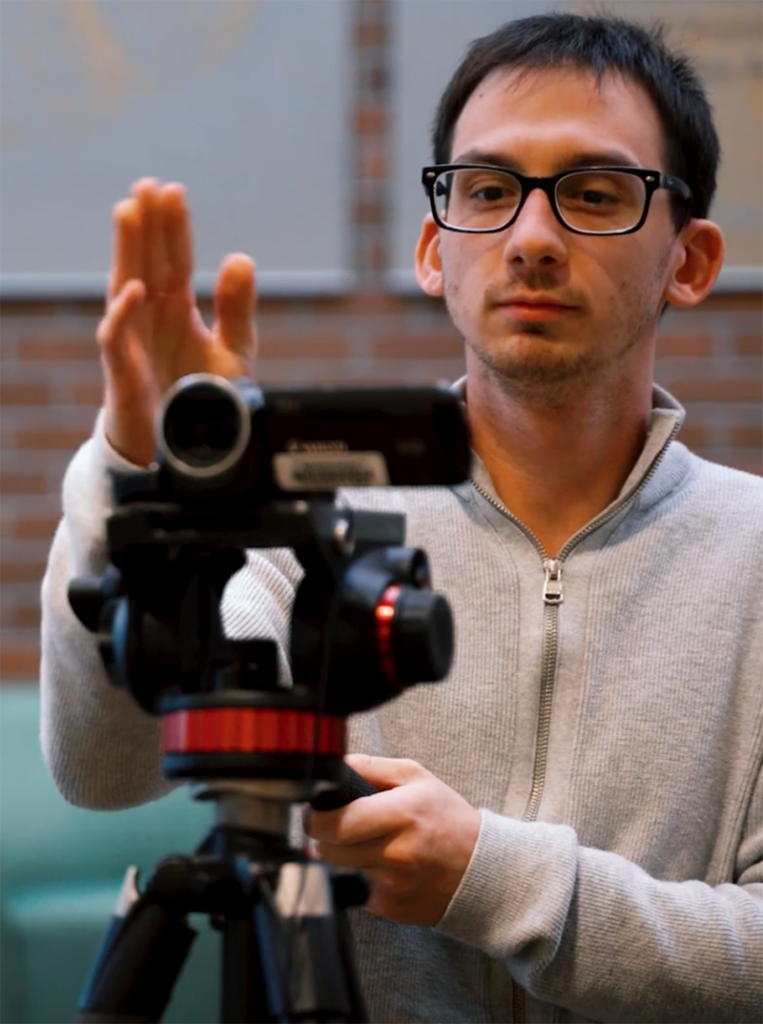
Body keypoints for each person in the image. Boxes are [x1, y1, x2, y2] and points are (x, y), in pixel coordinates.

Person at [39, 11, 763, 1023]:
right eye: (488, 191)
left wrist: (495, 879)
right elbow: (104, 766)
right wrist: (155, 485)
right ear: (434, 248)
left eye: (595, 195)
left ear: (689, 261)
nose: (532, 238)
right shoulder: (307, 528)